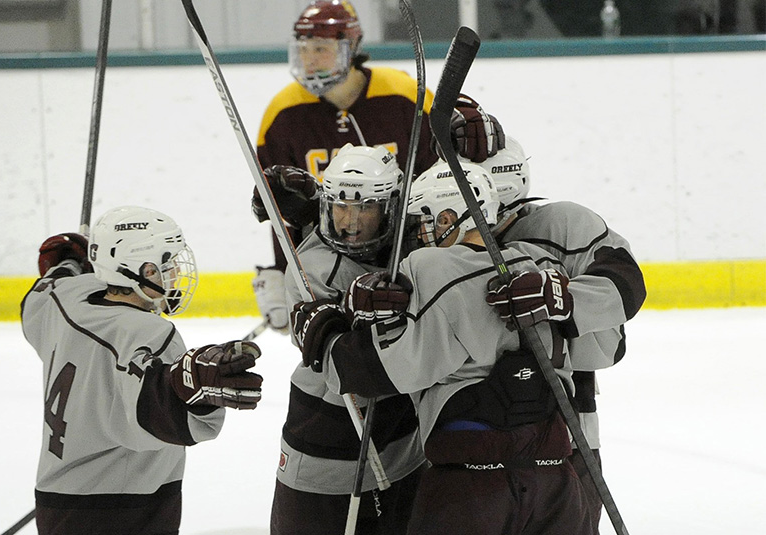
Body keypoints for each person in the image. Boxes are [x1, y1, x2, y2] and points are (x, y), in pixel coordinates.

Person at [291, 160, 593, 534]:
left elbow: (389, 372)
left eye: (422, 222)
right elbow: (603, 349)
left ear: (447, 216)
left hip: (473, 488)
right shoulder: (540, 264)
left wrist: (328, 337)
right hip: (558, 485)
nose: (418, 236)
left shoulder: (432, 266)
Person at [250, 0, 503, 334]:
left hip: (411, 253)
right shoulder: (282, 114)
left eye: (321, 49)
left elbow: (450, 178)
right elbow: (284, 212)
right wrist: (285, 273)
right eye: (304, 50)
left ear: (351, 47)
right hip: (334, 261)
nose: (310, 60)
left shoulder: (403, 97)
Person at [21, 206, 263, 535]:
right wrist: (192, 387)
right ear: (142, 270)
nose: (176, 273)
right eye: (167, 264)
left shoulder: (63, 299)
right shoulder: (150, 334)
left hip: (58, 503)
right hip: (124, 509)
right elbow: (158, 407)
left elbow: (38, 295)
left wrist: (67, 261)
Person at [480, 136, 646, 532]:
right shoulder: (438, 235)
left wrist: (564, 300)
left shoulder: (563, 224)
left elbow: (625, 288)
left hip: (564, 431)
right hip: (465, 436)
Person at [271, 144, 428, 535]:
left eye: (366, 207)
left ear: (392, 206)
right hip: (323, 452)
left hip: (404, 447)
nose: (349, 221)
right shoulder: (312, 270)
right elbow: (347, 366)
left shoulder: (410, 247)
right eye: (340, 206)